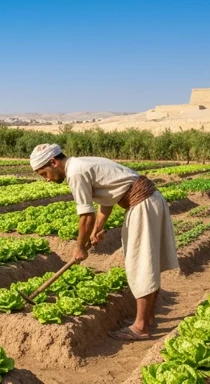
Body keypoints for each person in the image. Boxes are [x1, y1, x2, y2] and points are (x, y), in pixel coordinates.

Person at [30, 143, 178, 342]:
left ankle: (140, 327)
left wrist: (80, 248)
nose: (47, 179)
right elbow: (107, 199)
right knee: (148, 261)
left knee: (140, 263)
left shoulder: (75, 173)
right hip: (150, 199)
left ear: (53, 162)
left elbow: (85, 215)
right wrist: (98, 228)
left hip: (142, 203)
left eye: (44, 173)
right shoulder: (82, 163)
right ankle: (149, 318)